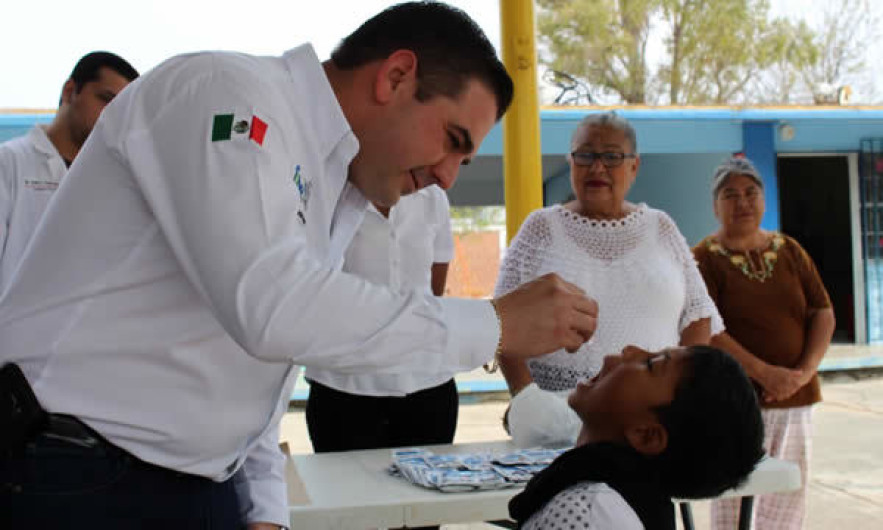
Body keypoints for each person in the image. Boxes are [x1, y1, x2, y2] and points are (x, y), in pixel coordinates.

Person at [0, 3, 599, 530]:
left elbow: (262, 361)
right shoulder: (227, 93)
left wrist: (262, 504)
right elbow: (270, 305)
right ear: (395, 76)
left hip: (192, 484)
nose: (446, 175)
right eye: (452, 139)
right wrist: (493, 323)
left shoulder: (330, 179)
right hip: (70, 470)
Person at [495, 111, 722, 446]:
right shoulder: (541, 228)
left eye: (612, 156)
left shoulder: (661, 227)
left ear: (634, 166)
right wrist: (528, 398)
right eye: (585, 155)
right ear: (571, 162)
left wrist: (679, 397)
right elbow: (502, 318)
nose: (597, 167)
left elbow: (698, 315)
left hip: (649, 417)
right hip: (556, 416)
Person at [693, 156, 835, 530]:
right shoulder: (703, 258)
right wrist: (764, 374)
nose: (742, 202)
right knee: (735, 496)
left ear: (763, 199)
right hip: (736, 403)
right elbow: (708, 329)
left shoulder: (789, 250)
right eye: (730, 194)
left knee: (787, 497)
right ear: (715, 205)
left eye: (750, 192)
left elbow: (822, 311)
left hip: (796, 399)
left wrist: (802, 373)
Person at [509, 344, 765, 530]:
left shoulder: (584, 510)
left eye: (650, 364)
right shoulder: (623, 503)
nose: (629, 350)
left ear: (646, 435)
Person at [305, 185, 460, 455]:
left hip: (426, 382)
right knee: (348, 493)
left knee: (425, 492)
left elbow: (435, 287)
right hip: (343, 383)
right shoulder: (330, 190)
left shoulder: (433, 198)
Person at [0, 51, 138, 292]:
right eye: (106, 99)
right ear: (69, 91)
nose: (112, 116)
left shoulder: (117, 181)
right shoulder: (9, 162)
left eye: (122, 109)